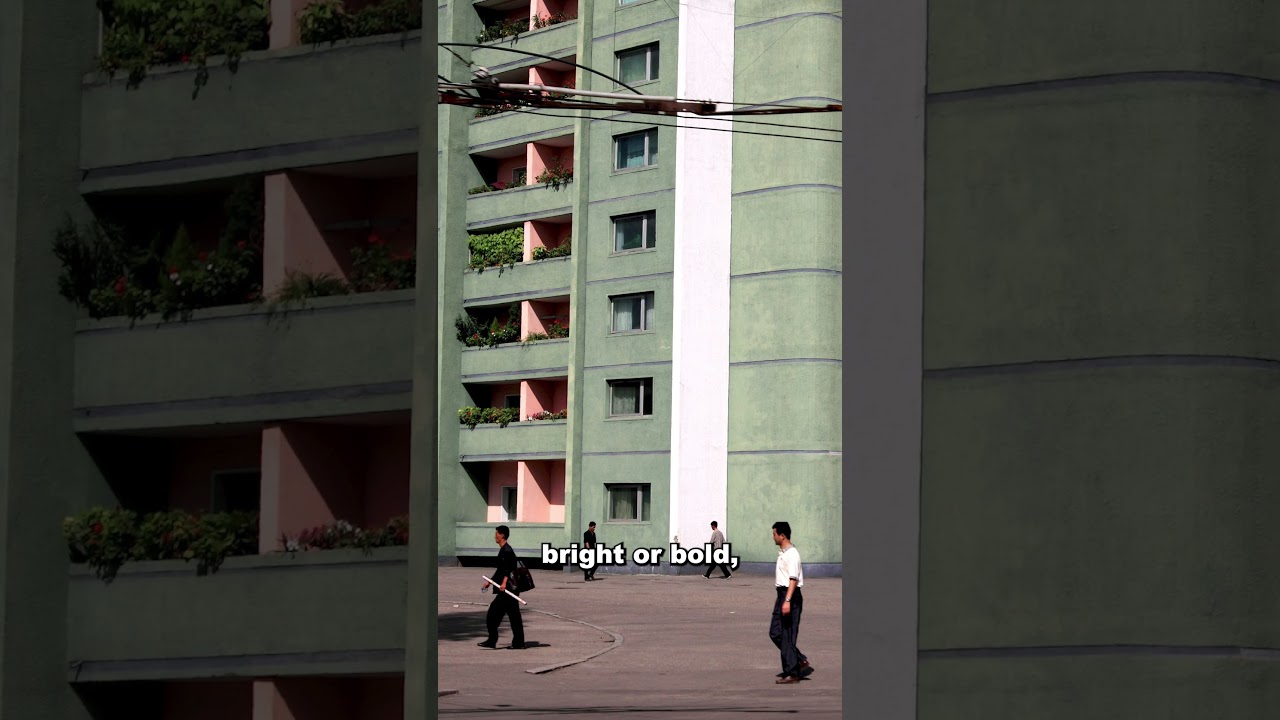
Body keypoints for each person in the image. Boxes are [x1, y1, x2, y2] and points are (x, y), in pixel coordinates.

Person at [769, 521, 811, 683]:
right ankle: (798, 660)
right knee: (775, 632)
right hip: (781, 594)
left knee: (787, 635)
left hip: (790, 595)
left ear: (782, 536)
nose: (772, 537)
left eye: (774, 534)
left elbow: (793, 579)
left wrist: (787, 600)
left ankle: (792, 673)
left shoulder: (792, 554)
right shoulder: (783, 553)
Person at [478, 525, 526, 649]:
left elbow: (509, 569)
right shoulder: (504, 550)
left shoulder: (507, 551)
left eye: (497, 534)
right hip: (506, 589)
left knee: (494, 615)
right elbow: (500, 570)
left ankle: (495, 641)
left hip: (508, 590)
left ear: (502, 535)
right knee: (512, 616)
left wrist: (504, 583)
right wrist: (490, 582)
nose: (495, 536)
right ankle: (516, 642)